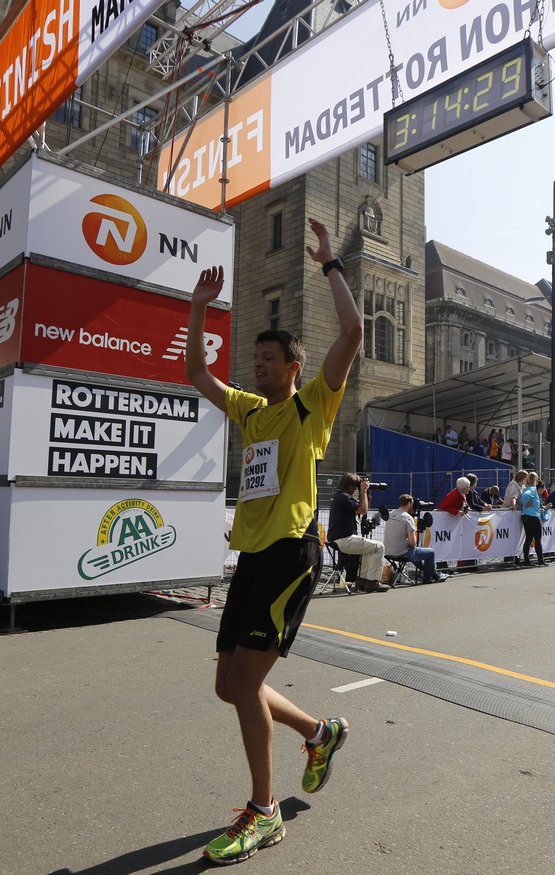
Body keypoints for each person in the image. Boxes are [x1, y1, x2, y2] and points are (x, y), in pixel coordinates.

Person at [184, 219, 360, 865]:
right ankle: (318, 731)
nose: (257, 366)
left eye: (268, 359)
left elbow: (353, 332)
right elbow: (196, 372)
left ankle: (263, 812)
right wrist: (199, 306)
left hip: (291, 552)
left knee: (246, 679)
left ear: (293, 366)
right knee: (228, 685)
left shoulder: (312, 404)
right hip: (253, 554)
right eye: (253, 359)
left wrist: (329, 263)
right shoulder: (250, 409)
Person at [327, 473, 387, 594]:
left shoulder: (338, 496)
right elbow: (363, 510)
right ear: (349, 486)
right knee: (379, 547)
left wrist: (364, 493)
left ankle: (362, 581)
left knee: (369, 549)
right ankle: (372, 582)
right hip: (344, 540)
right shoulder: (344, 497)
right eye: (355, 487)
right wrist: (363, 490)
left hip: (338, 539)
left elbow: (359, 510)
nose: (355, 489)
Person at [383, 494, 447, 583]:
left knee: (415, 553)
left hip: (388, 551)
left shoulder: (391, 513)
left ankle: (436, 575)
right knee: (431, 552)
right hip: (401, 553)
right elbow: (413, 543)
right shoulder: (408, 518)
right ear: (409, 504)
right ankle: (427, 578)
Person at [519, 476, 549, 566]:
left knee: (528, 539)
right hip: (532, 516)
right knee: (537, 539)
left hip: (526, 516)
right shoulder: (532, 489)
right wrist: (526, 502)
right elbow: (525, 496)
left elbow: (524, 495)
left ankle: (527, 560)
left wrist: (526, 503)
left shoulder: (526, 488)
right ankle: (540, 560)